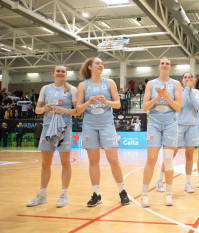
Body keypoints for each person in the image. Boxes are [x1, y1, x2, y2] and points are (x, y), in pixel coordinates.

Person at [76, 57, 130, 207]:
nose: (101, 65)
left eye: (101, 63)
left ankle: (122, 191)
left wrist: (105, 101)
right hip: (89, 124)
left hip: (106, 123)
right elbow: (78, 110)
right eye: (97, 63)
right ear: (90, 67)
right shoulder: (83, 85)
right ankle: (96, 194)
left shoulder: (109, 83)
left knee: (113, 160)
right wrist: (89, 102)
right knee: (93, 161)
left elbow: (118, 104)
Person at [26, 65, 79, 208]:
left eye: (63, 71)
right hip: (48, 128)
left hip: (64, 129)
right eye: (58, 71)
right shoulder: (45, 89)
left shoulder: (72, 90)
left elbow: (77, 111)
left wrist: (63, 110)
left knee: (65, 163)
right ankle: (42, 195)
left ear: (66, 74)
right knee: (45, 163)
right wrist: (44, 109)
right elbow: (37, 110)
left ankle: (64, 195)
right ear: (53, 73)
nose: (60, 73)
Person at [142, 57, 182, 207]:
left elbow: (178, 107)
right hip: (154, 123)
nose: (164, 65)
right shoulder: (151, 84)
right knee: (151, 159)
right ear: (158, 66)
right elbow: (145, 107)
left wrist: (166, 96)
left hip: (170, 123)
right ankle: (144, 194)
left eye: (167, 64)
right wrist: (158, 96)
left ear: (170, 67)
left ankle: (169, 193)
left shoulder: (176, 84)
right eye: (162, 63)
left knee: (168, 159)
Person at [156, 72, 199, 194]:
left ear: (193, 80)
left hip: (192, 126)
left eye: (189, 78)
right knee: (171, 154)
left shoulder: (196, 92)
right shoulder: (178, 90)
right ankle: (160, 179)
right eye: (185, 77)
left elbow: (198, 107)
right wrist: (187, 89)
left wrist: (190, 91)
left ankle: (188, 182)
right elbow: (180, 105)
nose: (187, 79)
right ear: (182, 80)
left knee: (190, 155)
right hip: (178, 124)